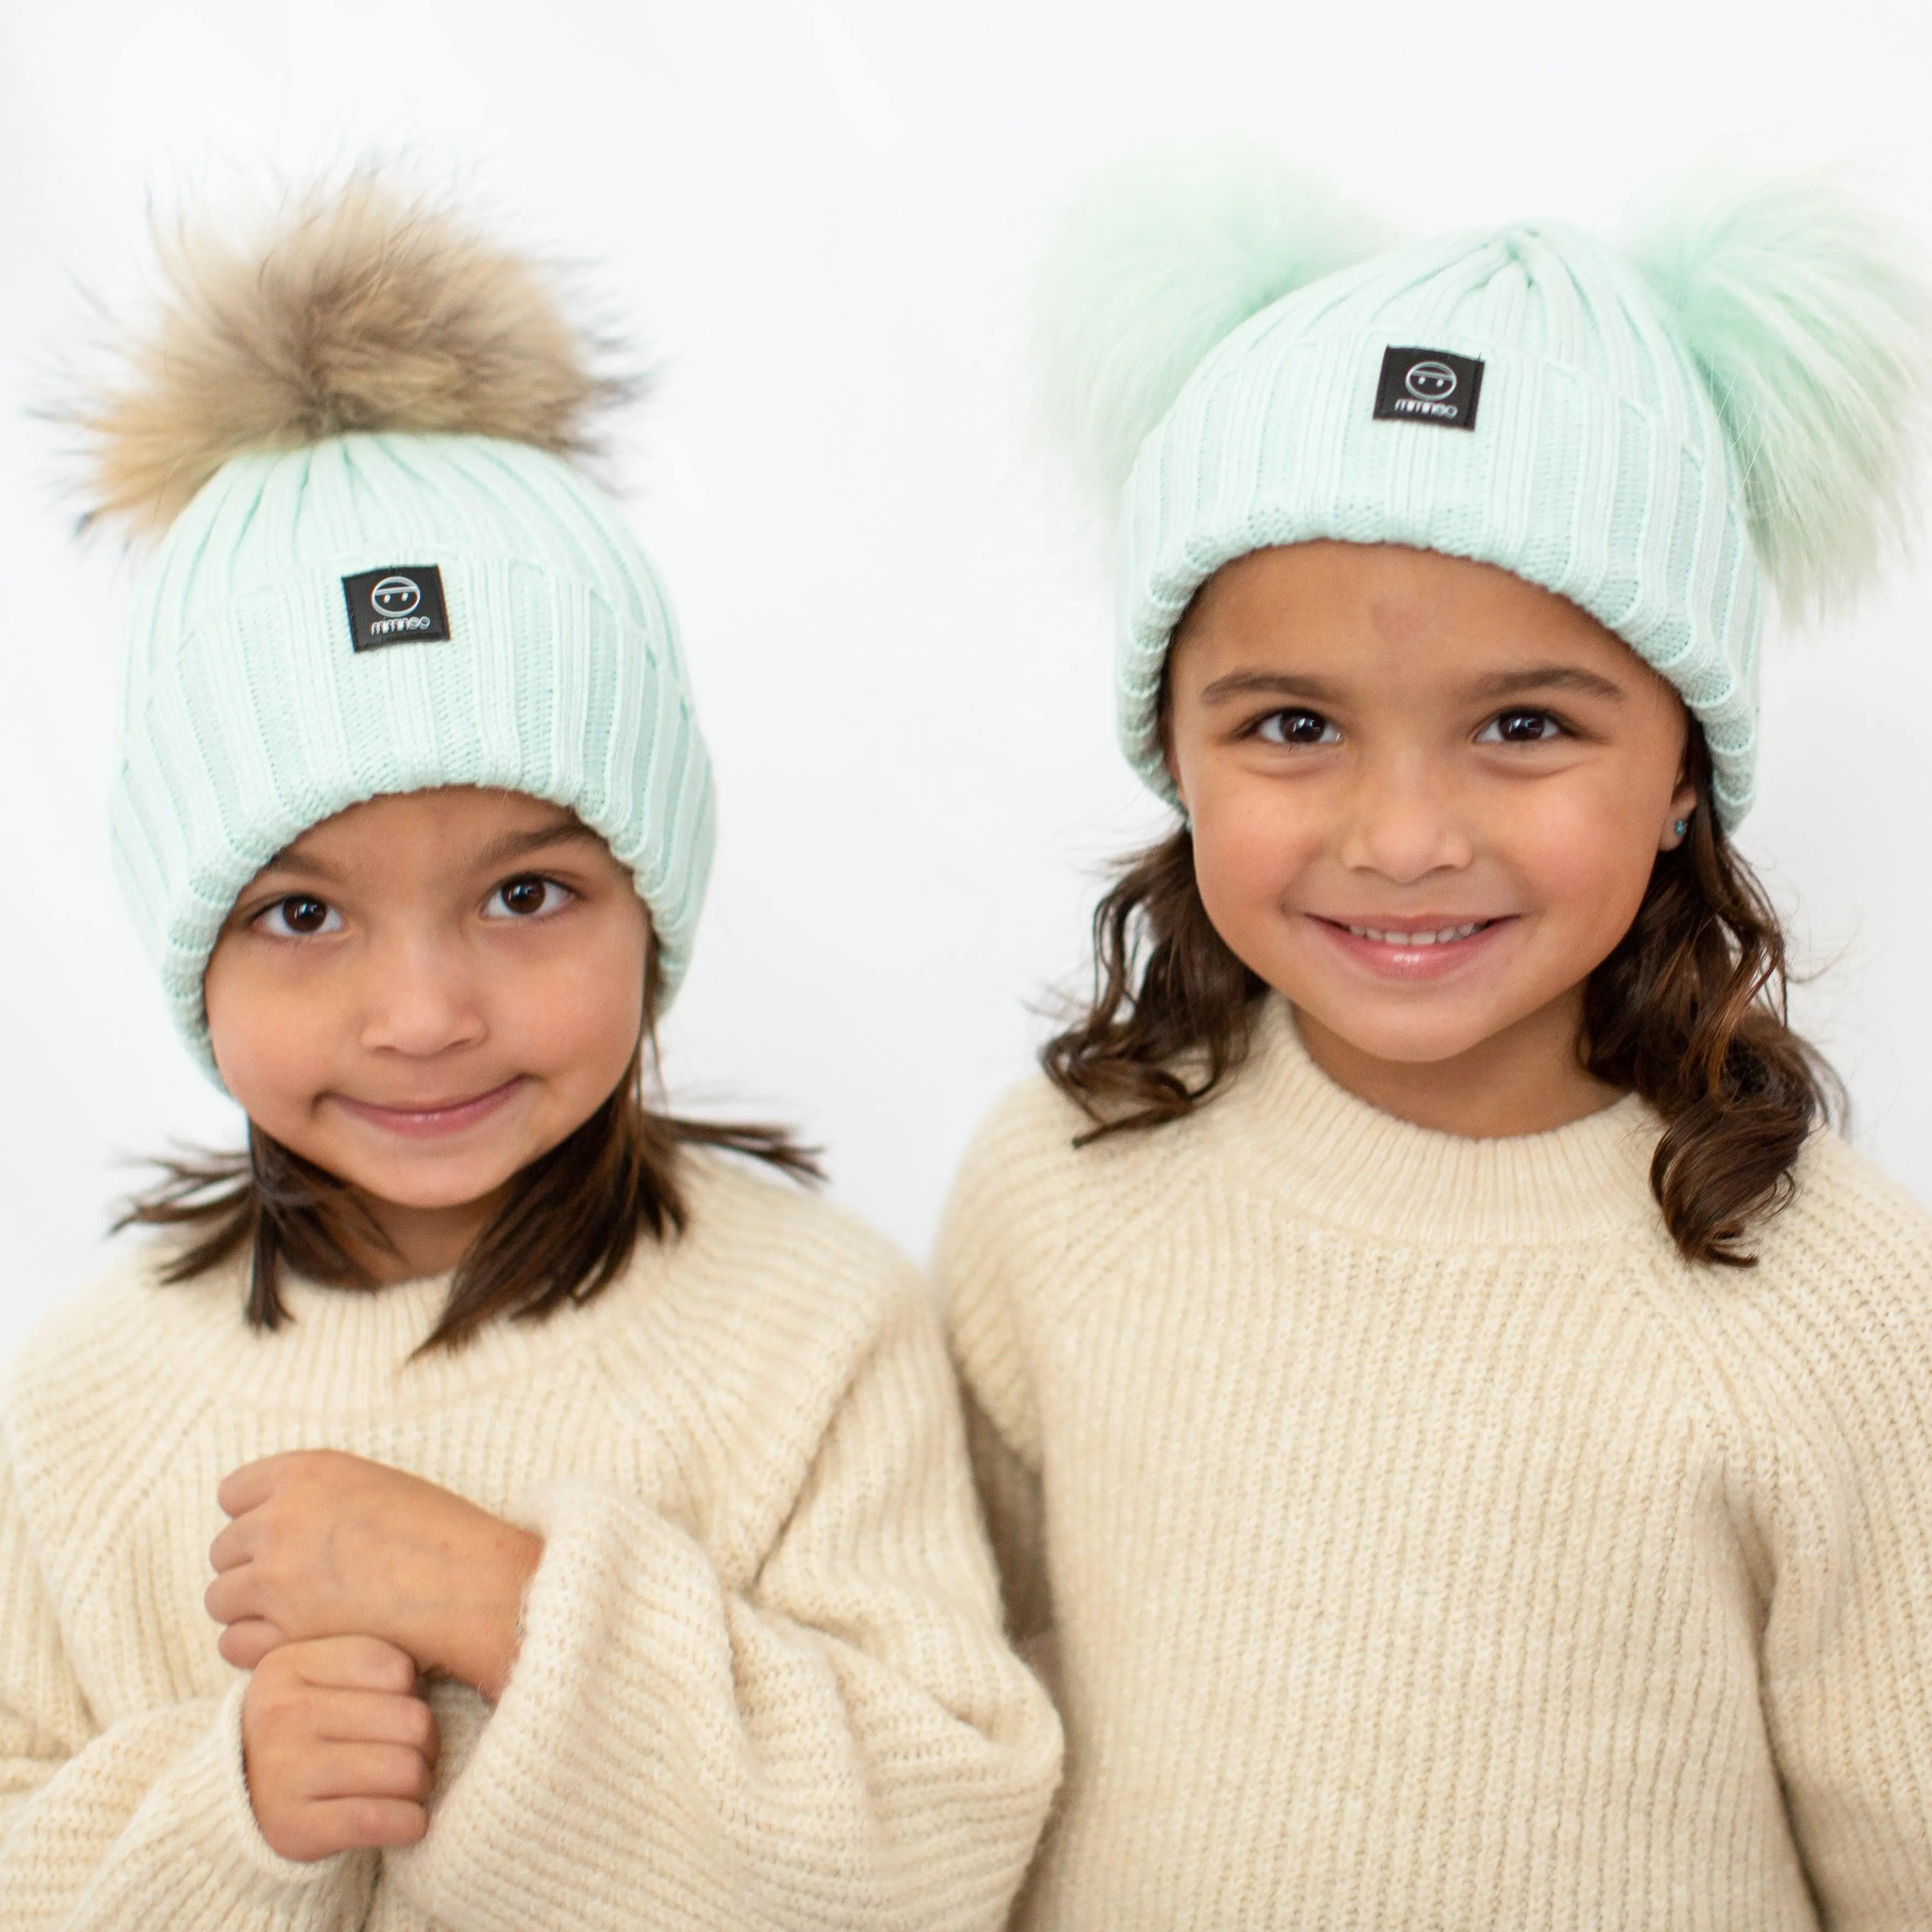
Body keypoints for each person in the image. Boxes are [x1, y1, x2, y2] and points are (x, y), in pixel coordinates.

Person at [0, 174, 1060, 1931]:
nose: (424, 1014)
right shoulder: (85, 1404)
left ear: (654, 896)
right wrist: (229, 1809)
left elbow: (941, 1848)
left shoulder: (810, 1331)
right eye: (303, 913)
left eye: (524, 893)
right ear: (190, 948)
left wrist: (513, 1608)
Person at [939, 159, 1932, 1928]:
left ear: (1685, 767)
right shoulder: (1063, 1181)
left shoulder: (1837, 1299)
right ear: (1175, 744)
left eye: (1525, 725)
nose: (1404, 839)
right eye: (1294, 724)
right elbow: (943, 1725)